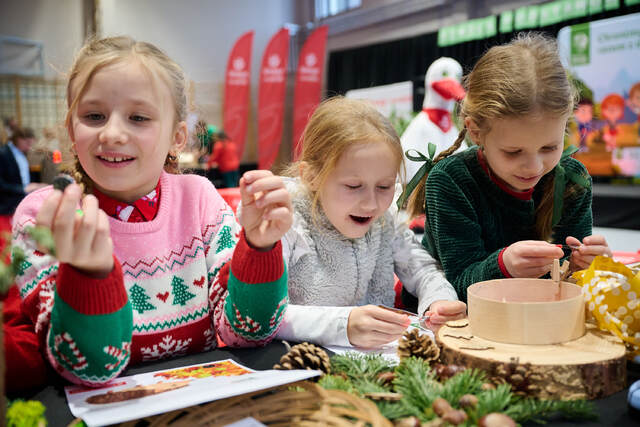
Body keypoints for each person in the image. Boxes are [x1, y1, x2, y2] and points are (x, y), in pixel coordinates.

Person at [11, 36, 292, 387]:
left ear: (177, 137)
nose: (112, 133)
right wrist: (90, 276)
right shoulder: (45, 218)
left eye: (138, 117)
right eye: (94, 116)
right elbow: (84, 368)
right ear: (72, 129)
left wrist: (260, 248)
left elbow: (249, 334)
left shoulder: (199, 199)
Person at [404, 33, 612, 302]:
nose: (534, 166)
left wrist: (591, 266)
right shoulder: (450, 180)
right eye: (513, 152)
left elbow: (569, 279)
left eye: (549, 148)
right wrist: (503, 265)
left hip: (535, 315)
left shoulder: (572, 179)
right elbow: (455, 284)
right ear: (476, 132)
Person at [276, 97, 465, 349]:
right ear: (311, 176)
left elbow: (424, 272)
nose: (372, 204)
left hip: (375, 364)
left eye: (384, 186)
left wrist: (439, 302)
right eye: (354, 186)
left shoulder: (385, 224)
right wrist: (343, 325)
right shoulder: (283, 224)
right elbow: (264, 316)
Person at [0, 127, 46, 218]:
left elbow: (23, 176)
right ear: (19, 139)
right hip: (7, 205)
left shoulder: (22, 153)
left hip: (21, 200)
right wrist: (23, 189)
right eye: (28, 143)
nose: (30, 146)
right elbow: (1, 184)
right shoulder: (3, 153)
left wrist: (35, 185)